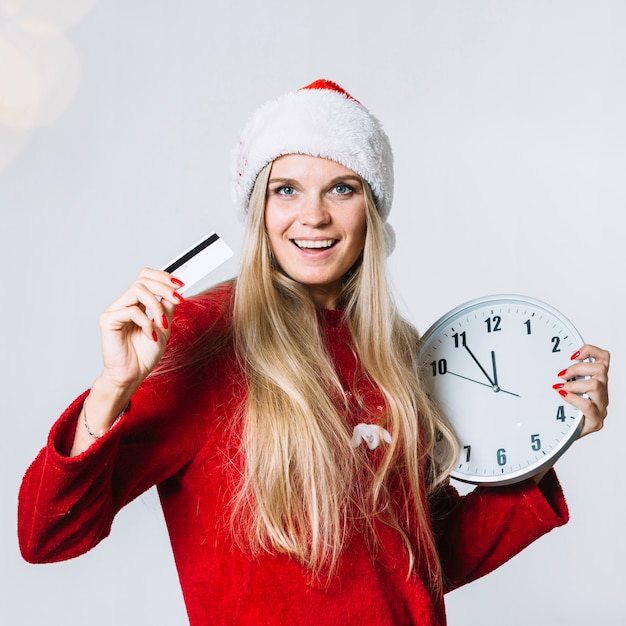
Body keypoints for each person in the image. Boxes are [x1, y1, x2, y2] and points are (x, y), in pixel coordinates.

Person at [18, 80, 610, 626]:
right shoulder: (202, 337)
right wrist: (113, 387)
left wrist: (551, 433)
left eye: (342, 188)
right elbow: (45, 536)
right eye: (287, 190)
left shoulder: (398, 352)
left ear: (371, 210)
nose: (314, 215)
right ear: (261, 209)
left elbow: (422, 563)